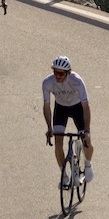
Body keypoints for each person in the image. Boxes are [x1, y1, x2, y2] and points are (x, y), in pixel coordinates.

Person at [43, 55, 94, 184]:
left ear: (68, 73)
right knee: (58, 142)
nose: (58, 76)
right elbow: (47, 106)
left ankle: (88, 165)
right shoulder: (47, 83)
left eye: (61, 73)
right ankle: (63, 175)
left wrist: (87, 131)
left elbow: (86, 106)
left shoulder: (77, 81)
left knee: (86, 140)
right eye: (55, 72)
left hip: (78, 108)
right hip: (61, 109)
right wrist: (49, 128)